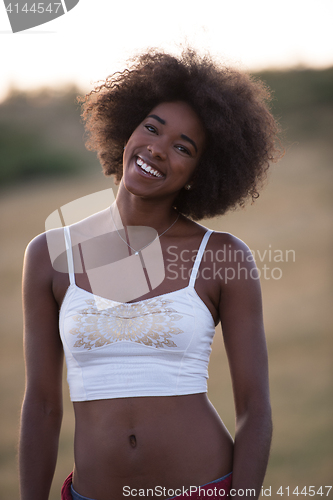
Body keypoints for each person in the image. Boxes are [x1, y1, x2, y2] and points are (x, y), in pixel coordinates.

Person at [19, 49, 283, 500]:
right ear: (127, 130)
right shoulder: (49, 254)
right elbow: (42, 407)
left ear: (201, 173)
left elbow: (254, 409)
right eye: (152, 128)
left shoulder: (221, 256)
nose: (158, 149)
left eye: (184, 147)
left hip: (203, 489)